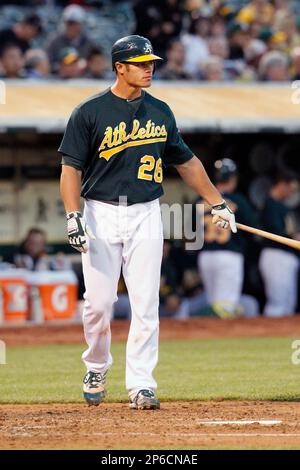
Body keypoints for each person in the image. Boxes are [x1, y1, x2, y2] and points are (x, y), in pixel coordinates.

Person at [59, 35, 237, 410]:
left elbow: (186, 162)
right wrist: (73, 215)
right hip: (100, 211)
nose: (149, 67)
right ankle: (96, 365)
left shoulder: (160, 111)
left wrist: (217, 202)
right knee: (99, 303)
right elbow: (70, 168)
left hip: (145, 211)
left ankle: (141, 384)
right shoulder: (89, 111)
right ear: (119, 67)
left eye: (151, 62)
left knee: (145, 303)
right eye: (140, 62)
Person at [195, 158, 258, 317]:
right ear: (233, 179)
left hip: (206, 256)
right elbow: (253, 229)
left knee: (213, 303)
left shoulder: (198, 201)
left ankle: (209, 337)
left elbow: (190, 233)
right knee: (226, 306)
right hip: (229, 255)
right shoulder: (238, 201)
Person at [259, 171, 300, 317]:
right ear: (282, 184)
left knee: (288, 303)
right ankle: (267, 337)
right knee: (277, 303)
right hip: (275, 255)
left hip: (288, 257)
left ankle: (283, 339)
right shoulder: (270, 204)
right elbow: (276, 232)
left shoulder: (284, 207)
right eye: (291, 189)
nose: (291, 193)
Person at [45, 4, 95, 73]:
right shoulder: (55, 41)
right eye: (69, 23)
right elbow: (47, 63)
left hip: (84, 79)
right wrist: (63, 67)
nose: (72, 26)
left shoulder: (89, 43)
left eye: (75, 23)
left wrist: (86, 65)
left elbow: (96, 64)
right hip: (58, 79)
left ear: (81, 24)